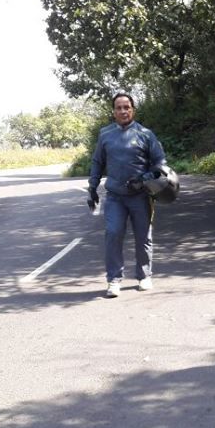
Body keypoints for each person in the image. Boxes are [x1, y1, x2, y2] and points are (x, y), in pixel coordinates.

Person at [88, 92, 167, 297]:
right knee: (113, 234)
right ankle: (113, 280)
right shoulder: (105, 134)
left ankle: (144, 276)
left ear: (133, 109)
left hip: (141, 196)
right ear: (113, 111)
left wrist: (143, 180)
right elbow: (97, 162)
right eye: (119, 107)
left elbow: (160, 164)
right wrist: (92, 187)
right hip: (114, 196)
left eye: (126, 107)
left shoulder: (146, 134)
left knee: (143, 237)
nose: (123, 111)